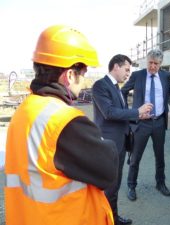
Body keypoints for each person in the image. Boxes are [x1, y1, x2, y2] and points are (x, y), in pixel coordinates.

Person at [4, 25, 119, 225]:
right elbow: (108, 170)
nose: (83, 81)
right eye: (83, 73)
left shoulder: (25, 109)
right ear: (70, 75)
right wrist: (101, 141)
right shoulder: (65, 120)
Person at [92, 54, 152, 225]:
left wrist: (140, 117)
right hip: (109, 145)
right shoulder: (100, 85)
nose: (128, 74)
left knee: (115, 185)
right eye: (126, 69)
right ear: (116, 67)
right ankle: (107, 220)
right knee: (110, 187)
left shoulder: (117, 87)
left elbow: (121, 115)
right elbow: (109, 113)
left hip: (119, 143)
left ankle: (113, 218)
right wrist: (137, 111)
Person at [121, 49, 170, 201]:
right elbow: (123, 91)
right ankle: (131, 185)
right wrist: (131, 113)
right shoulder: (138, 75)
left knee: (160, 156)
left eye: (156, 64)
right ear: (147, 61)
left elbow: (168, 93)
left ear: (160, 64)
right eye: (150, 62)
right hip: (141, 124)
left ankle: (160, 183)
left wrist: (168, 108)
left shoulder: (165, 76)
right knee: (135, 157)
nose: (152, 66)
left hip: (158, 123)